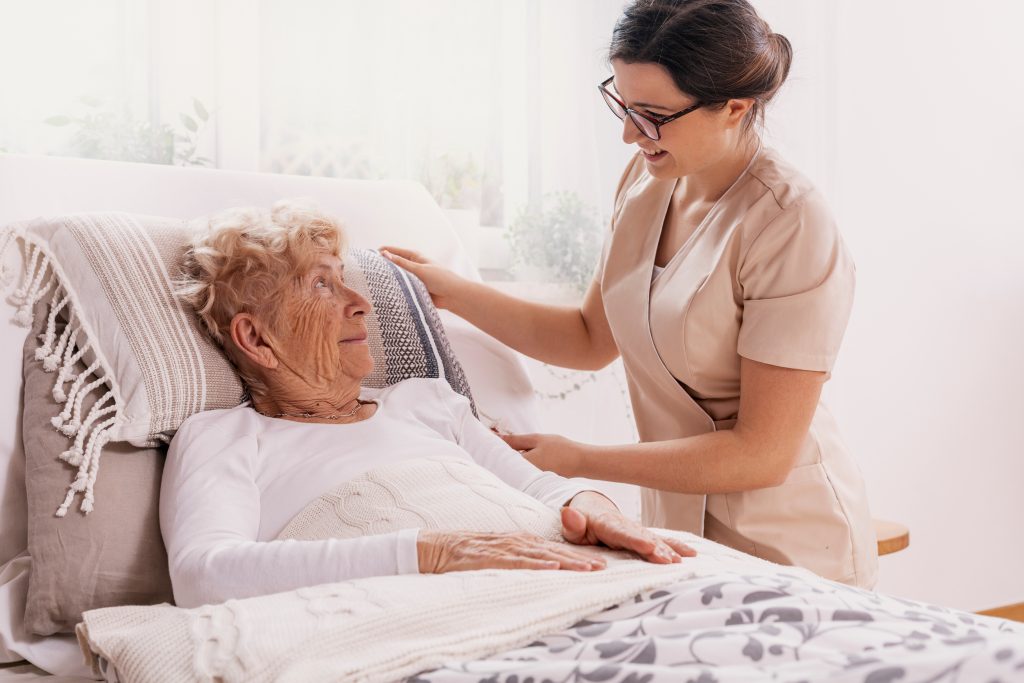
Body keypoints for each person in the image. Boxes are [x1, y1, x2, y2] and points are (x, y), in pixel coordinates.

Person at [382, 0, 877, 588]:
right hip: (677, 530)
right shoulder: (649, 176)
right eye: (621, 104)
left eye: (651, 114)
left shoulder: (790, 222)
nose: (627, 134)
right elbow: (590, 338)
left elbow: (762, 454)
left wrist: (578, 458)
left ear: (735, 107)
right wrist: (451, 291)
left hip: (790, 541)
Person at [162, 201, 693, 609]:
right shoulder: (224, 437)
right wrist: (434, 553)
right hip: (443, 614)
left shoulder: (428, 401)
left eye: (344, 278)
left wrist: (595, 505)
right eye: (321, 284)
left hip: (576, 584)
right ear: (256, 338)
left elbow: (539, 488)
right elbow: (203, 574)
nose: (361, 303)